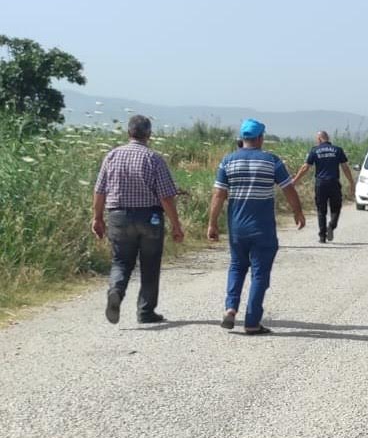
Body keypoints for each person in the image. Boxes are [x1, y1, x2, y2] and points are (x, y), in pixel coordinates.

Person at [206, 119, 305, 334]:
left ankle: (230, 308)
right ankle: (252, 321)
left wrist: (212, 223)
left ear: (242, 138)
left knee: (236, 266)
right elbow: (288, 189)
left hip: (237, 228)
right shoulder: (271, 161)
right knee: (259, 273)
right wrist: (297, 211)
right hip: (263, 229)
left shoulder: (228, 161)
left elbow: (219, 194)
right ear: (260, 138)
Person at [92, 114, 185, 324]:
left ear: (128, 133)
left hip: (118, 216)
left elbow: (99, 190)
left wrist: (97, 218)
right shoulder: (154, 158)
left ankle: (116, 290)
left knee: (121, 261)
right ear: (149, 135)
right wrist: (176, 225)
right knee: (150, 264)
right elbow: (166, 197)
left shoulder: (112, 156)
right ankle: (145, 311)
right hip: (149, 216)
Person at [291, 130, 354, 243]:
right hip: (334, 183)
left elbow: (305, 167)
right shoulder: (337, 150)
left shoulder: (315, 150)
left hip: (321, 184)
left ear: (319, 139)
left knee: (321, 210)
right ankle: (331, 226)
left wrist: (295, 180)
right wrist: (351, 182)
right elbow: (345, 167)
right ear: (328, 138)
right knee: (336, 207)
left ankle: (322, 237)